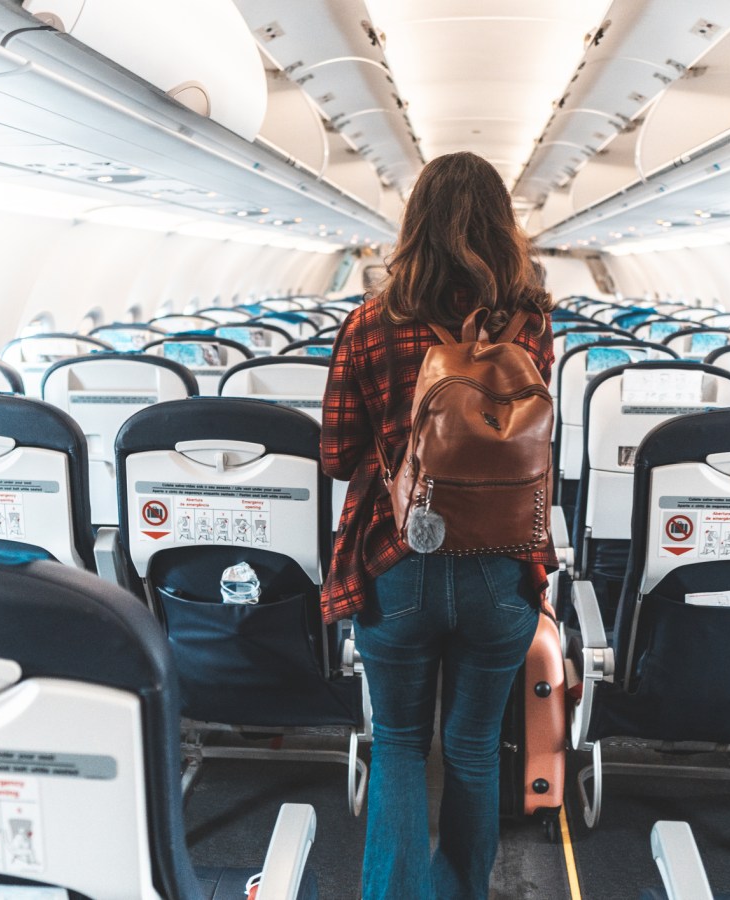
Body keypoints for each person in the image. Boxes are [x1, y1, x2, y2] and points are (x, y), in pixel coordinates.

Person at [320, 151, 556, 900]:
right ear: (503, 227)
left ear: (413, 224)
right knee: (475, 748)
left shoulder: (368, 322)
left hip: (399, 561)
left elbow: (335, 455)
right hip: (501, 563)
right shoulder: (531, 324)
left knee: (395, 745)